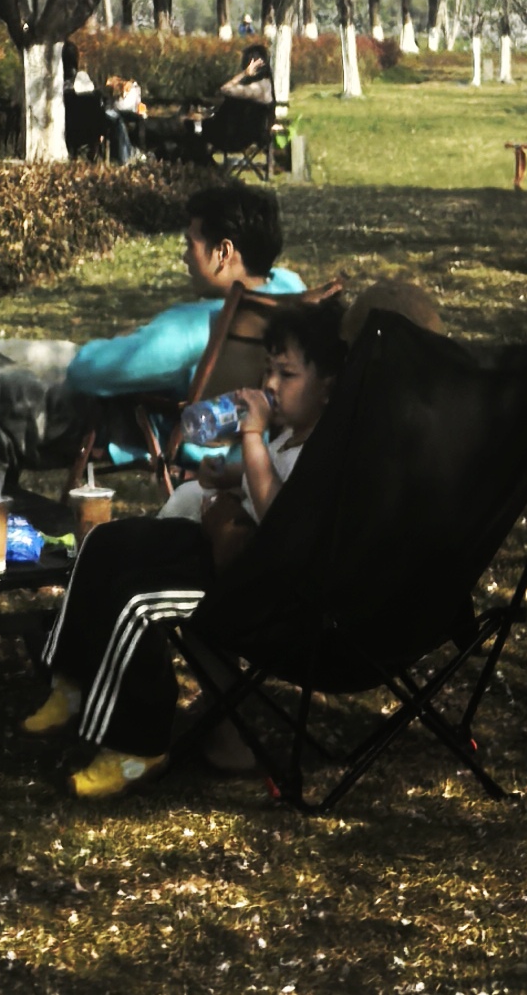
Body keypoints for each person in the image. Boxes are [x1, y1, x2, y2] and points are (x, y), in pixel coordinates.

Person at [21, 295, 348, 801]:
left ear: (328, 387)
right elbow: (259, 475)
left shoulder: (323, 449)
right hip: (225, 552)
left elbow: (280, 519)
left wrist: (252, 436)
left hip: (261, 586)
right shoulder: (289, 436)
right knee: (105, 544)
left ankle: (138, 745)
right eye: (268, 370)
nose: (270, 385)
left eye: (286, 374)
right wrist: (226, 472)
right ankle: (72, 680)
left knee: (137, 600)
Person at [0, 182, 302, 492]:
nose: (184, 256)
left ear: (223, 252)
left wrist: (127, 341)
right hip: (137, 379)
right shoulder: (287, 291)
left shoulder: (191, 330)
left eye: (190, 243)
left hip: (127, 414)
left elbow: (86, 371)